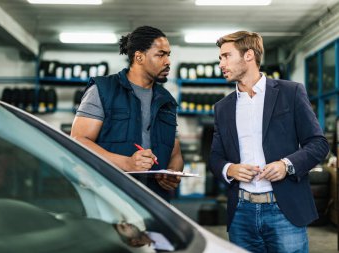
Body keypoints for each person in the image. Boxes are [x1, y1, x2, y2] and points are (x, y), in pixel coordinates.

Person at [209, 31, 329, 252]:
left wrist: (286, 165)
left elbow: (319, 144)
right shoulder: (222, 108)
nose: (221, 63)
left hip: (284, 210)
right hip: (241, 212)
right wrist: (230, 169)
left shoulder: (290, 93)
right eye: (220, 58)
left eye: (226, 56)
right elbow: (215, 157)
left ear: (249, 55)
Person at [71, 26, 183, 201]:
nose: (168, 61)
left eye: (168, 55)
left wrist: (172, 172)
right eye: (161, 54)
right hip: (110, 195)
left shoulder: (167, 100)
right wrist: (127, 163)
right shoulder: (103, 90)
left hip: (155, 199)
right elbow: (79, 140)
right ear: (139, 57)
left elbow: (175, 151)